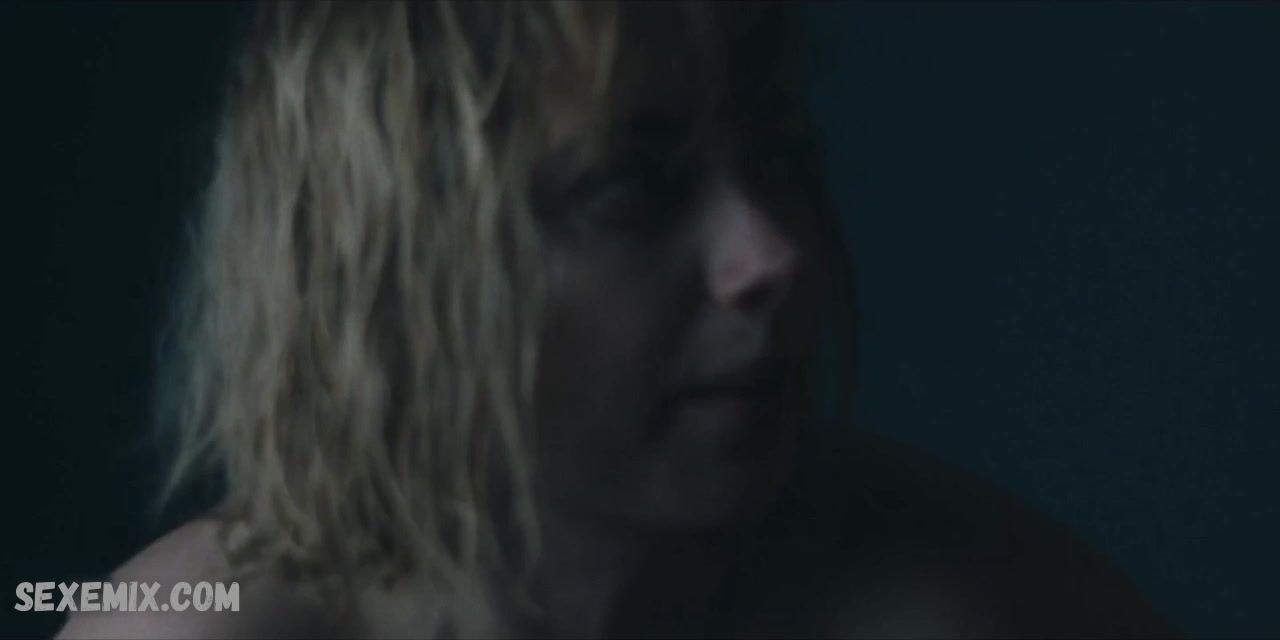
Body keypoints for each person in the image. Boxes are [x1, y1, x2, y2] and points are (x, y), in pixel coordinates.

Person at [59, 2, 1177, 638]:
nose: (771, 254)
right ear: (393, 264)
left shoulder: (990, 607)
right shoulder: (189, 627)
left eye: (779, 157)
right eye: (633, 192)